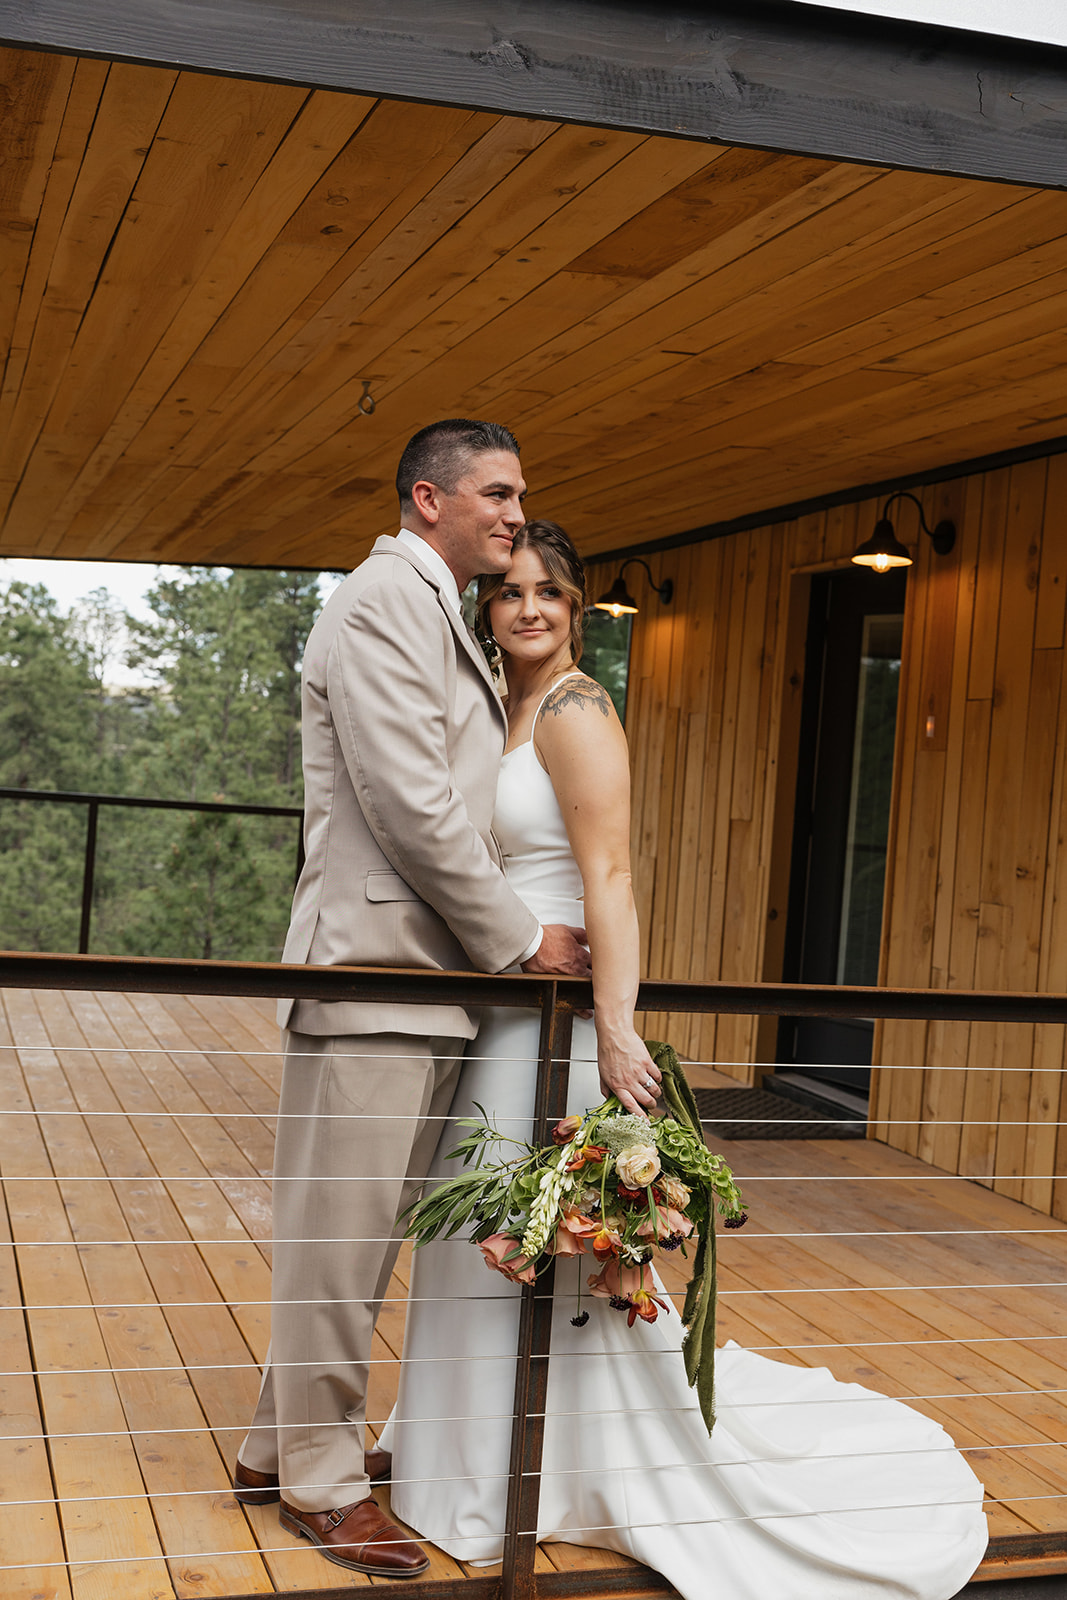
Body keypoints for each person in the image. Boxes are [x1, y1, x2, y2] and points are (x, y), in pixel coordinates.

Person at [378, 520, 989, 1599]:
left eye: (550, 596)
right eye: (510, 591)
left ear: (575, 614)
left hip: (558, 1023)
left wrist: (616, 1027)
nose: (526, 609)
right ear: (488, 606)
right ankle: (464, 1467)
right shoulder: (501, 705)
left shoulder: (575, 712)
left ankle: (529, 1480)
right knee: (477, 1225)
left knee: (534, 1236)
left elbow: (609, 877)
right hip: (495, 1007)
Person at [232, 423, 592, 1577]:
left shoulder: (443, 607)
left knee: (357, 1236)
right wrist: (519, 936)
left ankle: (269, 1448)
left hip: (426, 986)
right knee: (339, 1240)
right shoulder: (382, 601)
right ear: (427, 499)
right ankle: (323, 1488)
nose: (514, 510)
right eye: (497, 492)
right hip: (376, 974)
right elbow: (407, 804)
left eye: (521, 493)